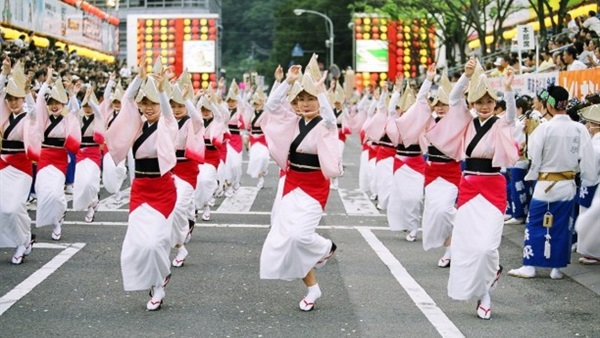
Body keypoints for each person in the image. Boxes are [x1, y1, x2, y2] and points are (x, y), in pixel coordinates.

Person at [426, 58, 519, 320]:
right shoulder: (466, 122)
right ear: (473, 104)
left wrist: (509, 89)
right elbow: (454, 100)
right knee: (466, 246)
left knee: (487, 248)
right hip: (468, 188)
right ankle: (484, 295)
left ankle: (490, 276)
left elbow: (511, 116)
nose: (485, 106)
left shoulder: (500, 124)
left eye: (489, 102)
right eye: (479, 102)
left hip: (493, 187)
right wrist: (466, 77)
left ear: (495, 103)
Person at [260, 57, 341, 312]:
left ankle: (326, 247)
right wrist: (287, 82)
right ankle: (312, 288)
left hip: (314, 187)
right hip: (291, 184)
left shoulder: (326, 125)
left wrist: (321, 93)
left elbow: (330, 119)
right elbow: (271, 107)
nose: (305, 104)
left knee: (299, 236)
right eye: (301, 100)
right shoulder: (293, 121)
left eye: (310, 99)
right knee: (286, 239)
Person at [105, 58, 177, 311]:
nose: (147, 108)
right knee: (137, 243)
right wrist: (138, 79)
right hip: (140, 190)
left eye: (152, 104)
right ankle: (157, 284)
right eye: (144, 103)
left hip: (163, 189)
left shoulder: (168, 124)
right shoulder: (136, 126)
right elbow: (125, 103)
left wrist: (160, 91)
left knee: (156, 242)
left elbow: (167, 112)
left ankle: (161, 278)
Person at [508, 87, 596, 280]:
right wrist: (587, 179)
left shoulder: (544, 128)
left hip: (546, 184)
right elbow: (588, 161)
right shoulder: (579, 128)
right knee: (562, 225)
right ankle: (556, 268)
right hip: (568, 184)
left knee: (536, 223)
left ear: (549, 104)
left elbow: (533, 155)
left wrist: (533, 173)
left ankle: (529, 265)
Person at [34, 68, 81, 241]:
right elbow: (39, 101)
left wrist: (71, 94)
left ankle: (58, 220)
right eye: (51, 102)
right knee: (43, 191)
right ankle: (54, 220)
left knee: (55, 193)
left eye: (58, 103)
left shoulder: (68, 117)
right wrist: (46, 82)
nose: (54, 106)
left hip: (60, 158)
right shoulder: (44, 117)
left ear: (63, 104)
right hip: (44, 156)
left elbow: (75, 110)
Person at [0, 58, 36, 264]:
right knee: (4, 208)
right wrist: (5, 74)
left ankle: (23, 242)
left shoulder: (29, 115)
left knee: (14, 207)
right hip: (3, 166)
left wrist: (27, 90)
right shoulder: (5, 116)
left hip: (22, 167)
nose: (13, 102)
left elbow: (34, 108)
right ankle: (25, 238)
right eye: (10, 99)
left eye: (17, 98)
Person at [169, 75, 204, 266]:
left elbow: (198, 118)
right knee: (170, 211)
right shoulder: (166, 121)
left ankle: (185, 228)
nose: (176, 110)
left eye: (180, 106)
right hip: (168, 171)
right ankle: (180, 246)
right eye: (173, 106)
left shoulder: (192, 122)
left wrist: (187, 99)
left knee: (177, 209)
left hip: (187, 172)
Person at [72, 86, 104, 223]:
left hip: (93, 153)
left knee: (91, 182)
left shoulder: (98, 117)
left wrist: (91, 100)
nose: (87, 107)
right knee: (82, 183)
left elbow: (97, 111)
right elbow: (73, 109)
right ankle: (92, 203)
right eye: (84, 105)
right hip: (80, 153)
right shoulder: (78, 117)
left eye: (89, 105)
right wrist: (72, 94)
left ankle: (93, 203)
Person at [575, 104, 600, 264]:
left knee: (592, 217)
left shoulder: (596, 145)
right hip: (592, 182)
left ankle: (593, 251)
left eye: (589, 123)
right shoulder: (594, 142)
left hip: (593, 182)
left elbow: (590, 165)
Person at [245, 86, 269, 188]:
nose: (256, 105)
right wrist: (249, 92)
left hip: (263, 138)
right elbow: (245, 103)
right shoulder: (251, 113)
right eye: (255, 103)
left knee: (264, 157)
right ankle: (260, 178)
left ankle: (263, 170)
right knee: (255, 158)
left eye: (258, 103)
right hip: (253, 138)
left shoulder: (266, 113)